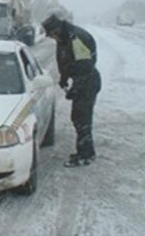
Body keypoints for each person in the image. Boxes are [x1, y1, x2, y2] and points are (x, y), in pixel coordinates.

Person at [41, 13, 101, 167]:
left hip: (88, 82)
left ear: (56, 30)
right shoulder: (64, 37)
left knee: (82, 118)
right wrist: (63, 77)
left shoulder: (76, 38)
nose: (51, 38)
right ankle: (85, 151)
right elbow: (64, 60)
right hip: (82, 81)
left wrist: (77, 88)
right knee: (78, 117)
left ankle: (86, 155)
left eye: (51, 35)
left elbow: (85, 67)